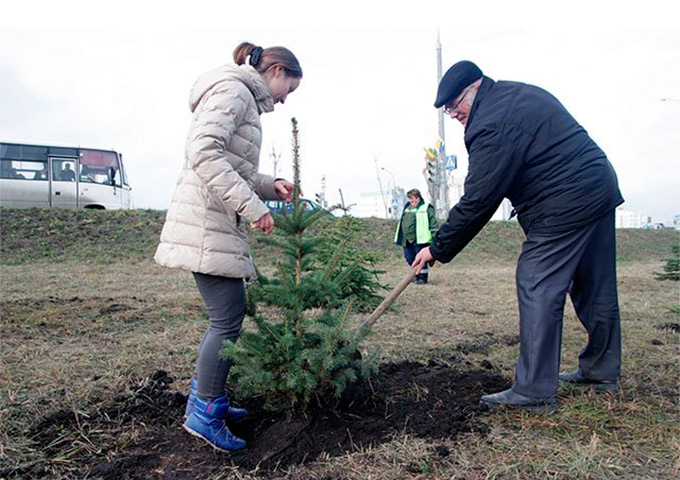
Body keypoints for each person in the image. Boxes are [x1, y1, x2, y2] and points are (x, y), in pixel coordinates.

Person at [412, 61, 623, 413]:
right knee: (594, 284)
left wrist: (437, 248)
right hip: (597, 186)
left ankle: (533, 392)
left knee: (536, 279)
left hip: (564, 199)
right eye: (448, 109)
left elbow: (479, 199)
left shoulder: (492, 123)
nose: (453, 114)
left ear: (475, 89)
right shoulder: (513, 94)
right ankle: (601, 372)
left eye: (455, 105)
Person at [154, 41, 302, 450]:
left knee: (227, 317)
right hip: (207, 222)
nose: (285, 99)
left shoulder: (241, 96)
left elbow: (230, 165)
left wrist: (268, 186)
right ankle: (205, 413)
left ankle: (208, 401)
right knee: (227, 319)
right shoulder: (234, 91)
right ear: (275, 72)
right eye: (288, 88)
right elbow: (204, 153)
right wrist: (254, 207)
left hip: (216, 221)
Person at [394, 188, 437, 284]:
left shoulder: (426, 207)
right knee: (409, 258)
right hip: (407, 240)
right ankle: (416, 275)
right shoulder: (407, 208)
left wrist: (434, 237)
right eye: (409, 199)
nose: (410, 200)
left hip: (420, 239)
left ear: (418, 198)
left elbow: (433, 223)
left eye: (412, 198)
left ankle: (423, 278)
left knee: (421, 259)